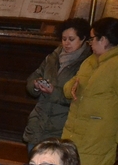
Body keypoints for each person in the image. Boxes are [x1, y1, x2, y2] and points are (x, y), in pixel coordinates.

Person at [62, 17, 118, 165]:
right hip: (74, 132)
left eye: (92, 38)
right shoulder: (90, 61)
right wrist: (73, 87)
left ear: (103, 40)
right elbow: (68, 89)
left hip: (97, 135)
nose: (90, 43)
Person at [23, 18, 92, 148]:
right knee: (34, 157)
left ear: (83, 39)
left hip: (62, 127)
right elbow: (33, 79)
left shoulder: (87, 64)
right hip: (38, 123)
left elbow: (80, 96)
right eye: (64, 39)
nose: (66, 43)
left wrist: (53, 91)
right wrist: (36, 85)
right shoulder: (52, 58)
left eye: (71, 39)